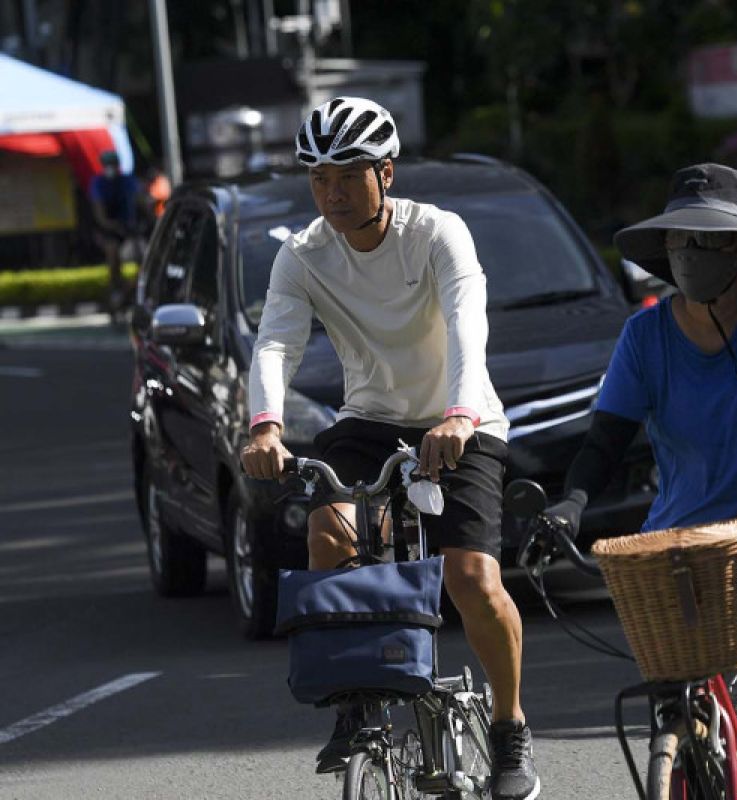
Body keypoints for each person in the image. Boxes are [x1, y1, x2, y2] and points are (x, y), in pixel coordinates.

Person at [239, 96, 539, 798]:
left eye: (348, 175)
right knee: (330, 533)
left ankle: (509, 724)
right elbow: (276, 341)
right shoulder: (303, 254)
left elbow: (469, 324)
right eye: (318, 178)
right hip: (370, 419)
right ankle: (356, 701)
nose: (332, 193)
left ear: (387, 173)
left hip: (462, 418)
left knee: (470, 578)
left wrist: (460, 416)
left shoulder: (438, 233)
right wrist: (265, 426)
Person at [539, 163, 737, 793]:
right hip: (680, 534)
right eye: (680, 241)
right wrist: (569, 504)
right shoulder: (644, 335)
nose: (690, 253)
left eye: (708, 239)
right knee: (669, 678)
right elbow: (604, 442)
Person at [88, 150, 140, 313]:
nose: (111, 168)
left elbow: (140, 200)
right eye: (107, 165)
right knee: (113, 257)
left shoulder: (127, 181)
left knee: (144, 259)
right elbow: (100, 214)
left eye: (113, 165)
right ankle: (116, 292)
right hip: (109, 229)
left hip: (130, 228)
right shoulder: (99, 183)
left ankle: (130, 291)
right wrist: (113, 226)